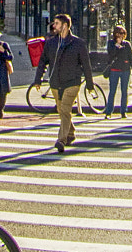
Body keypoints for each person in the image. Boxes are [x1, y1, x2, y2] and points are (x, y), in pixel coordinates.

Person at [38, 15, 93, 153]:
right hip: (56, 82)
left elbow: (86, 64)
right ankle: (70, 132)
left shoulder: (78, 43)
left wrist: (90, 84)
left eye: (57, 23)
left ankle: (61, 140)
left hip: (72, 82)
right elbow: (42, 61)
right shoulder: (51, 43)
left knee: (65, 109)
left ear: (65, 25)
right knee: (61, 111)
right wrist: (37, 79)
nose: (54, 26)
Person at [104, 25, 132, 118]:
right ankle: (109, 112)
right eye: (118, 33)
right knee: (112, 91)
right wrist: (117, 46)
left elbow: (131, 57)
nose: (120, 36)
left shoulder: (127, 44)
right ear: (115, 34)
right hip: (114, 70)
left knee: (124, 91)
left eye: (122, 33)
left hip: (125, 70)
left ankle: (123, 111)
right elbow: (111, 55)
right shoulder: (111, 43)